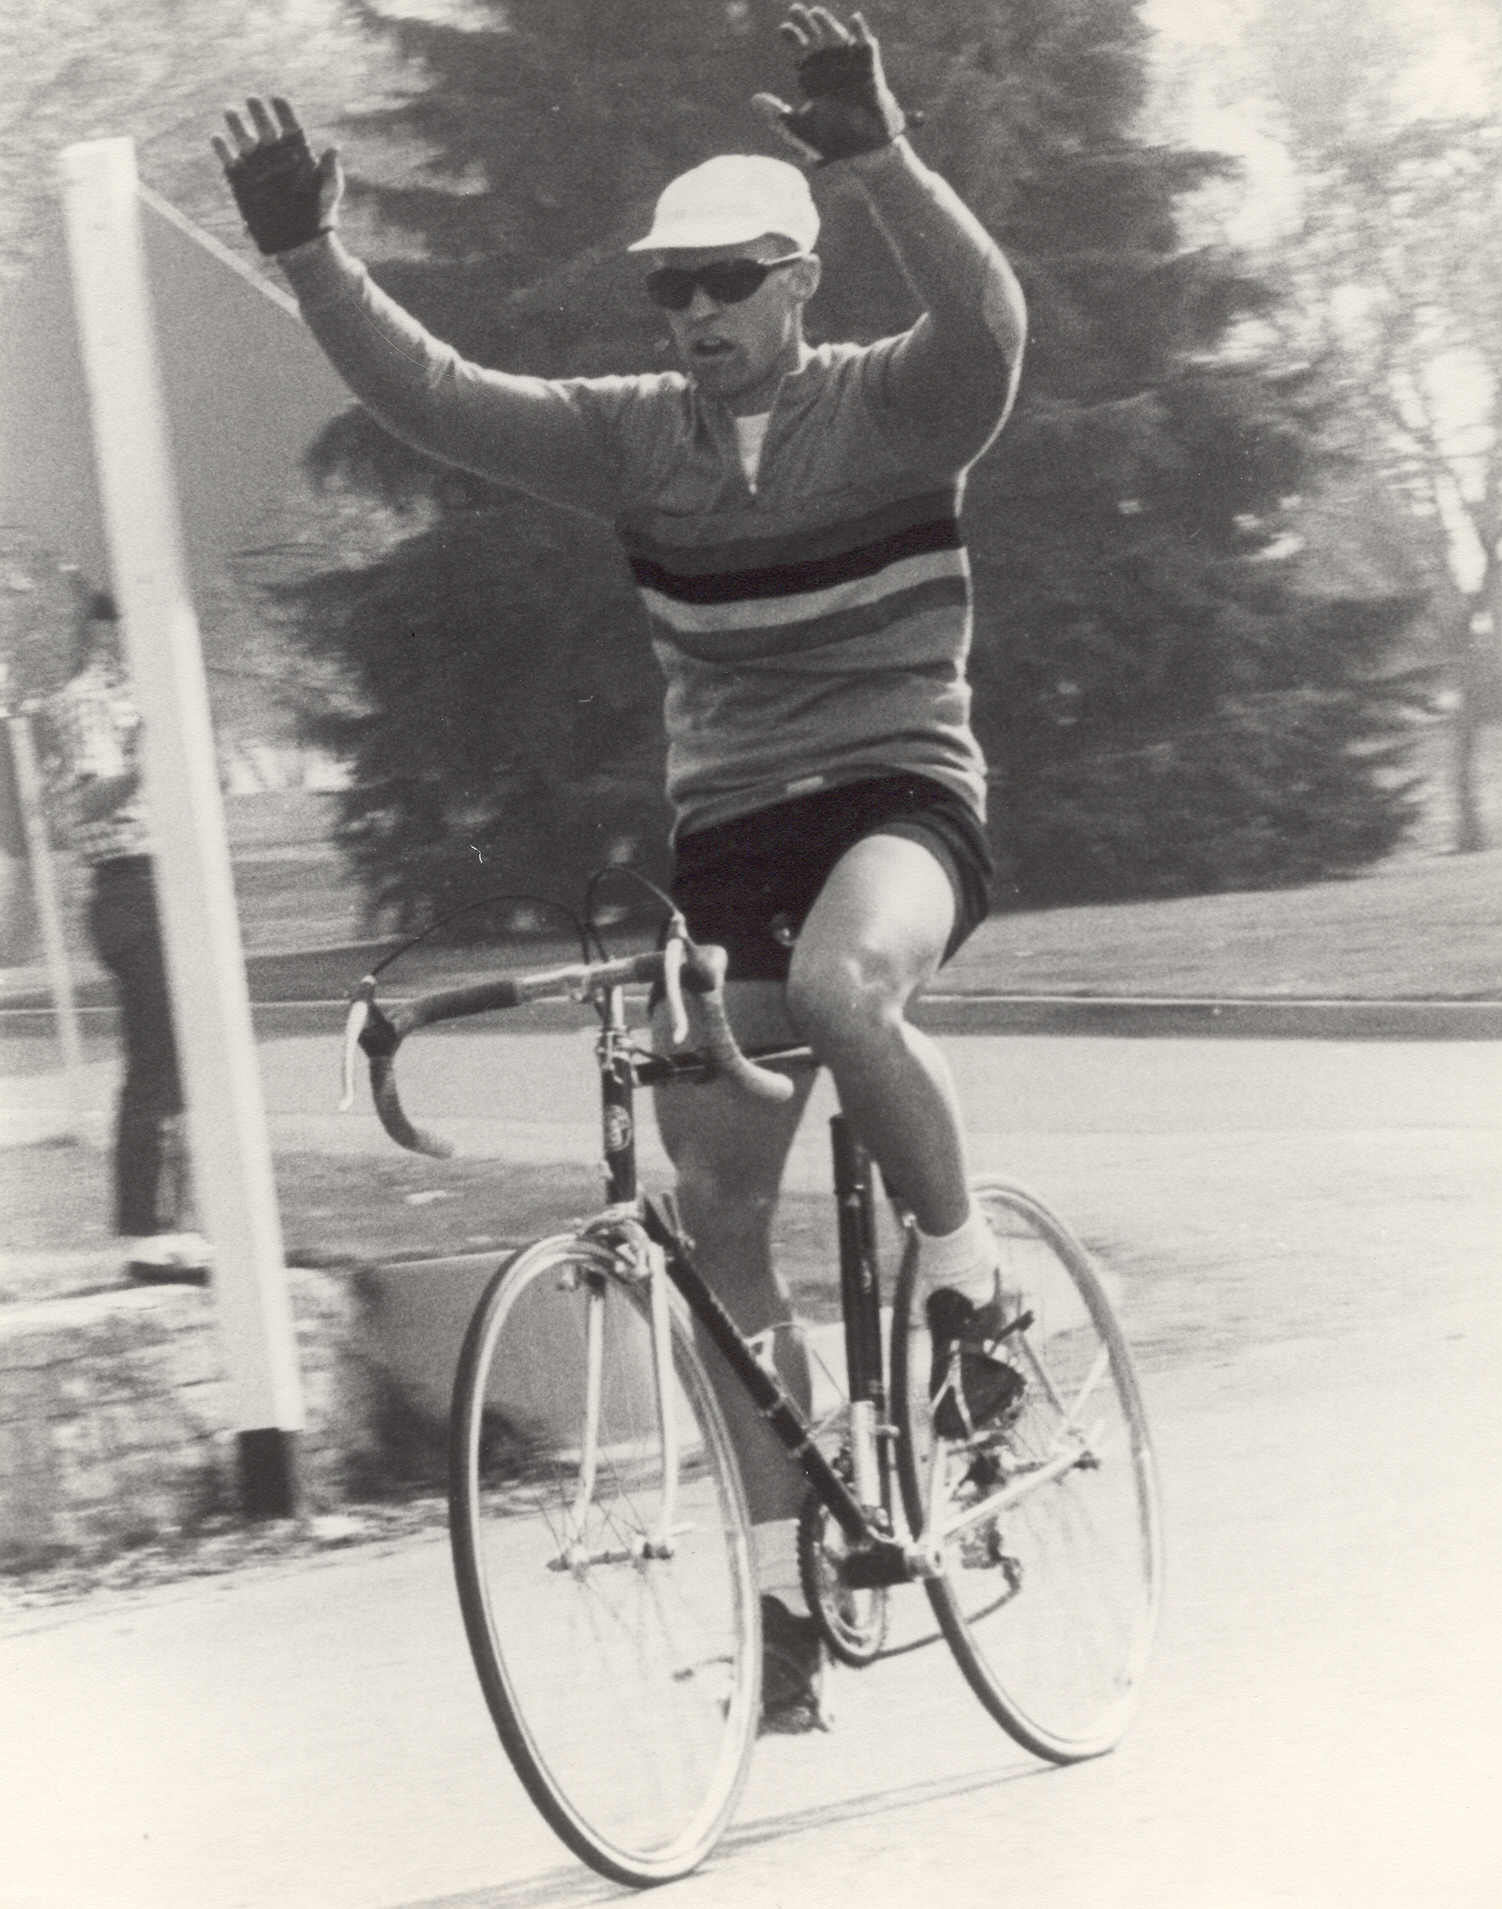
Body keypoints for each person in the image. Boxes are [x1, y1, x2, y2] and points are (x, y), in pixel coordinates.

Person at [216, 3, 1026, 1729]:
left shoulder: (894, 405)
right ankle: (774, 1595)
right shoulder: (626, 436)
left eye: (727, 279)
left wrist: (876, 160)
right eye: (668, 287)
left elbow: (988, 318)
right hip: (733, 827)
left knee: (839, 984)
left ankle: (968, 1293)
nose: (695, 314)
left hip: (895, 790)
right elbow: (428, 395)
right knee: (709, 1224)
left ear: (796, 281)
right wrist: (312, 251)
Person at [48, 590, 209, 1284]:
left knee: (182, 1060)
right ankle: (147, 1235)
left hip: (167, 880)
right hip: (129, 886)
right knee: (155, 1058)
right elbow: (88, 801)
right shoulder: (88, 697)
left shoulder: (147, 691)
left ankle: (183, 1228)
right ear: (108, 628)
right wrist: (149, 757)